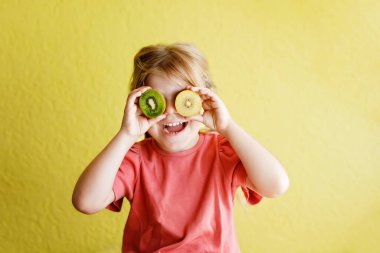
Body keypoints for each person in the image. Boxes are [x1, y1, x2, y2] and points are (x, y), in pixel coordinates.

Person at [72, 42, 290, 252]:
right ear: (141, 105)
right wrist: (126, 134)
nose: (169, 111)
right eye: (157, 100)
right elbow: (86, 202)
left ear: (205, 99)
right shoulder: (136, 159)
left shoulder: (222, 152)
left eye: (182, 99)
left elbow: (276, 185)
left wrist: (227, 126)